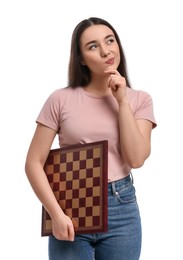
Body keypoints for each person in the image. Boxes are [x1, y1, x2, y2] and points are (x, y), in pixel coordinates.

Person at [25, 17, 157, 260]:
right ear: (82, 59)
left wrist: (122, 102)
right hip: (71, 204)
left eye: (110, 40)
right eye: (93, 46)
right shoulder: (60, 99)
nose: (106, 50)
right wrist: (55, 213)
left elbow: (137, 158)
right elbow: (34, 162)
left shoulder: (139, 99)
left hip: (122, 207)